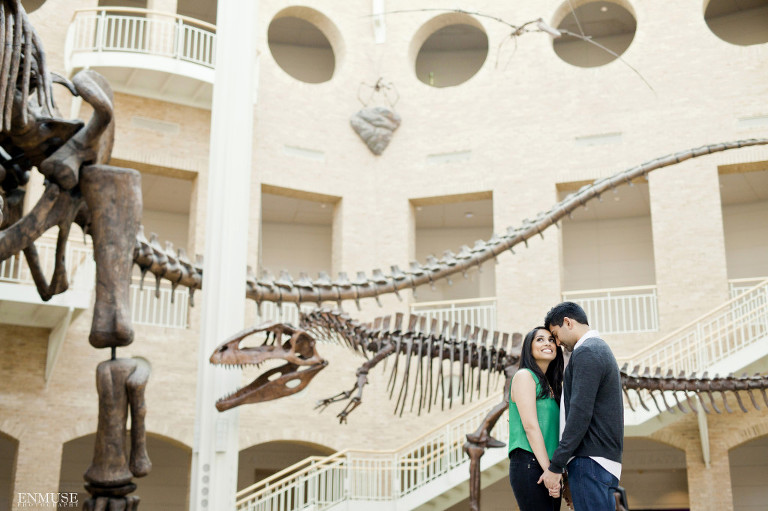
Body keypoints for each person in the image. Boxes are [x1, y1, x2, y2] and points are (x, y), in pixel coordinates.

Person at [539, 302, 624, 511]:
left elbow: (579, 414)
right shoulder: (598, 349)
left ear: (568, 322)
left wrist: (556, 464)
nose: (556, 342)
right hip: (601, 463)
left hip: (590, 463)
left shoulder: (587, 351)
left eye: (555, 334)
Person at [508, 326, 564, 511]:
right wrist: (550, 471)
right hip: (530, 463)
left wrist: (555, 472)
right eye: (540, 339)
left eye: (550, 339)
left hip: (548, 467)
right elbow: (530, 426)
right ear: (528, 348)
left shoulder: (549, 385)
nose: (547, 343)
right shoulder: (524, 376)